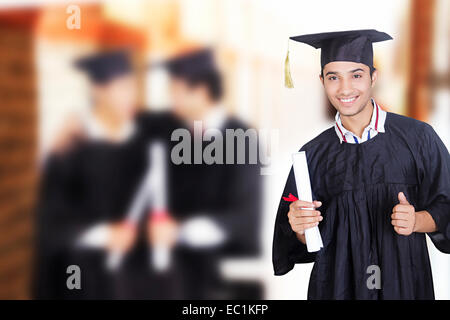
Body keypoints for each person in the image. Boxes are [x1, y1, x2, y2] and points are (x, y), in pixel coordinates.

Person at [272, 29, 450, 299]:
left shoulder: (418, 138)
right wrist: (298, 227)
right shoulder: (311, 155)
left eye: (356, 75)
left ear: (373, 77)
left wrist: (416, 221)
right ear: (322, 81)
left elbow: (446, 206)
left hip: (403, 286)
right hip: (336, 287)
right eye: (334, 77)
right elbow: (303, 242)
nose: (345, 89)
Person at [33, 50, 180, 299]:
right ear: (97, 91)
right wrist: (105, 235)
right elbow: (51, 227)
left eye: (132, 88)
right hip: (86, 277)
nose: (130, 97)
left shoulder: (146, 140)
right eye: (121, 88)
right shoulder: (70, 150)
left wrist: (163, 225)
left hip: (142, 276)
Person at [139, 49, 263, 299]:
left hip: (227, 275)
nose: (171, 99)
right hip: (177, 276)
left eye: (176, 90)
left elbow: (243, 219)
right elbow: (130, 120)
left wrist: (180, 232)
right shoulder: (169, 129)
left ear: (202, 91)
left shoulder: (241, 140)